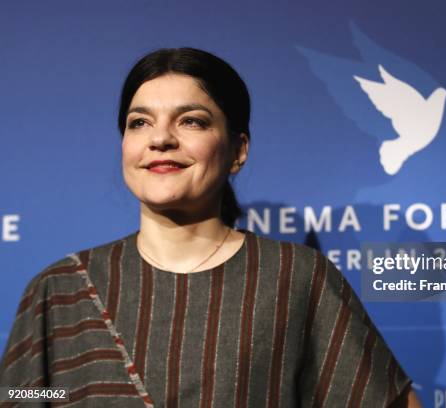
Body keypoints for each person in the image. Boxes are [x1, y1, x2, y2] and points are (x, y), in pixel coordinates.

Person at [0, 48, 421, 407]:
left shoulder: (295, 278)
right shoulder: (60, 290)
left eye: (192, 121)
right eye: (139, 122)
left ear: (238, 150)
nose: (160, 138)